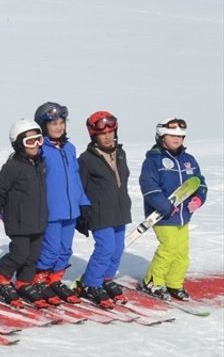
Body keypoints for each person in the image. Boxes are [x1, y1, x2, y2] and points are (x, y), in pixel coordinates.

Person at [138, 117, 208, 300]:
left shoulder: (189, 160)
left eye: (181, 136)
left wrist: (199, 198)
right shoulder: (154, 161)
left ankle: (174, 283)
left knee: (182, 252)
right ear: (161, 136)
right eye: (172, 135)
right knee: (168, 248)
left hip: (184, 216)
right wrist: (166, 206)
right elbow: (150, 188)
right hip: (163, 216)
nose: (177, 139)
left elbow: (199, 183)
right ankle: (152, 282)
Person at [30, 101, 90, 305]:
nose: (58, 126)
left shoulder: (70, 148)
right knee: (51, 249)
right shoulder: (40, 150)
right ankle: (39, 280)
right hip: (51, 210)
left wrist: (83, 203)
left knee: (65, 249)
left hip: (71, 210)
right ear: (43, 126)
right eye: (53, 123)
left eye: (61, 122)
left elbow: (75, 178)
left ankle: (55, 280)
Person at [0, 120, 49, 308]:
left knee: (33, 256)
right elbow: (0, 191)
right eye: (30, 142)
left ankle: (23, 282)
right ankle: (1, 280)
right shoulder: (12, 167)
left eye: (38, 140)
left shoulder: (39, 164)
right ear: (18, 144)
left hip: (38, 220)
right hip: (19, 221)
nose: (36, 146)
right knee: (19, 254)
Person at [74, 111, 131, 308]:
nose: (108, 136)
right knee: (105, 248)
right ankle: (91, 283)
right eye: (102, 134)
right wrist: (82, 211)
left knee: (117, 249)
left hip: (119, 210)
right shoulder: (86, 159)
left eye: (111, 132)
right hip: (99, 212)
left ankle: (106, 279)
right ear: (93, 135)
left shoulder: (120, 153)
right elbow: (78, 187)